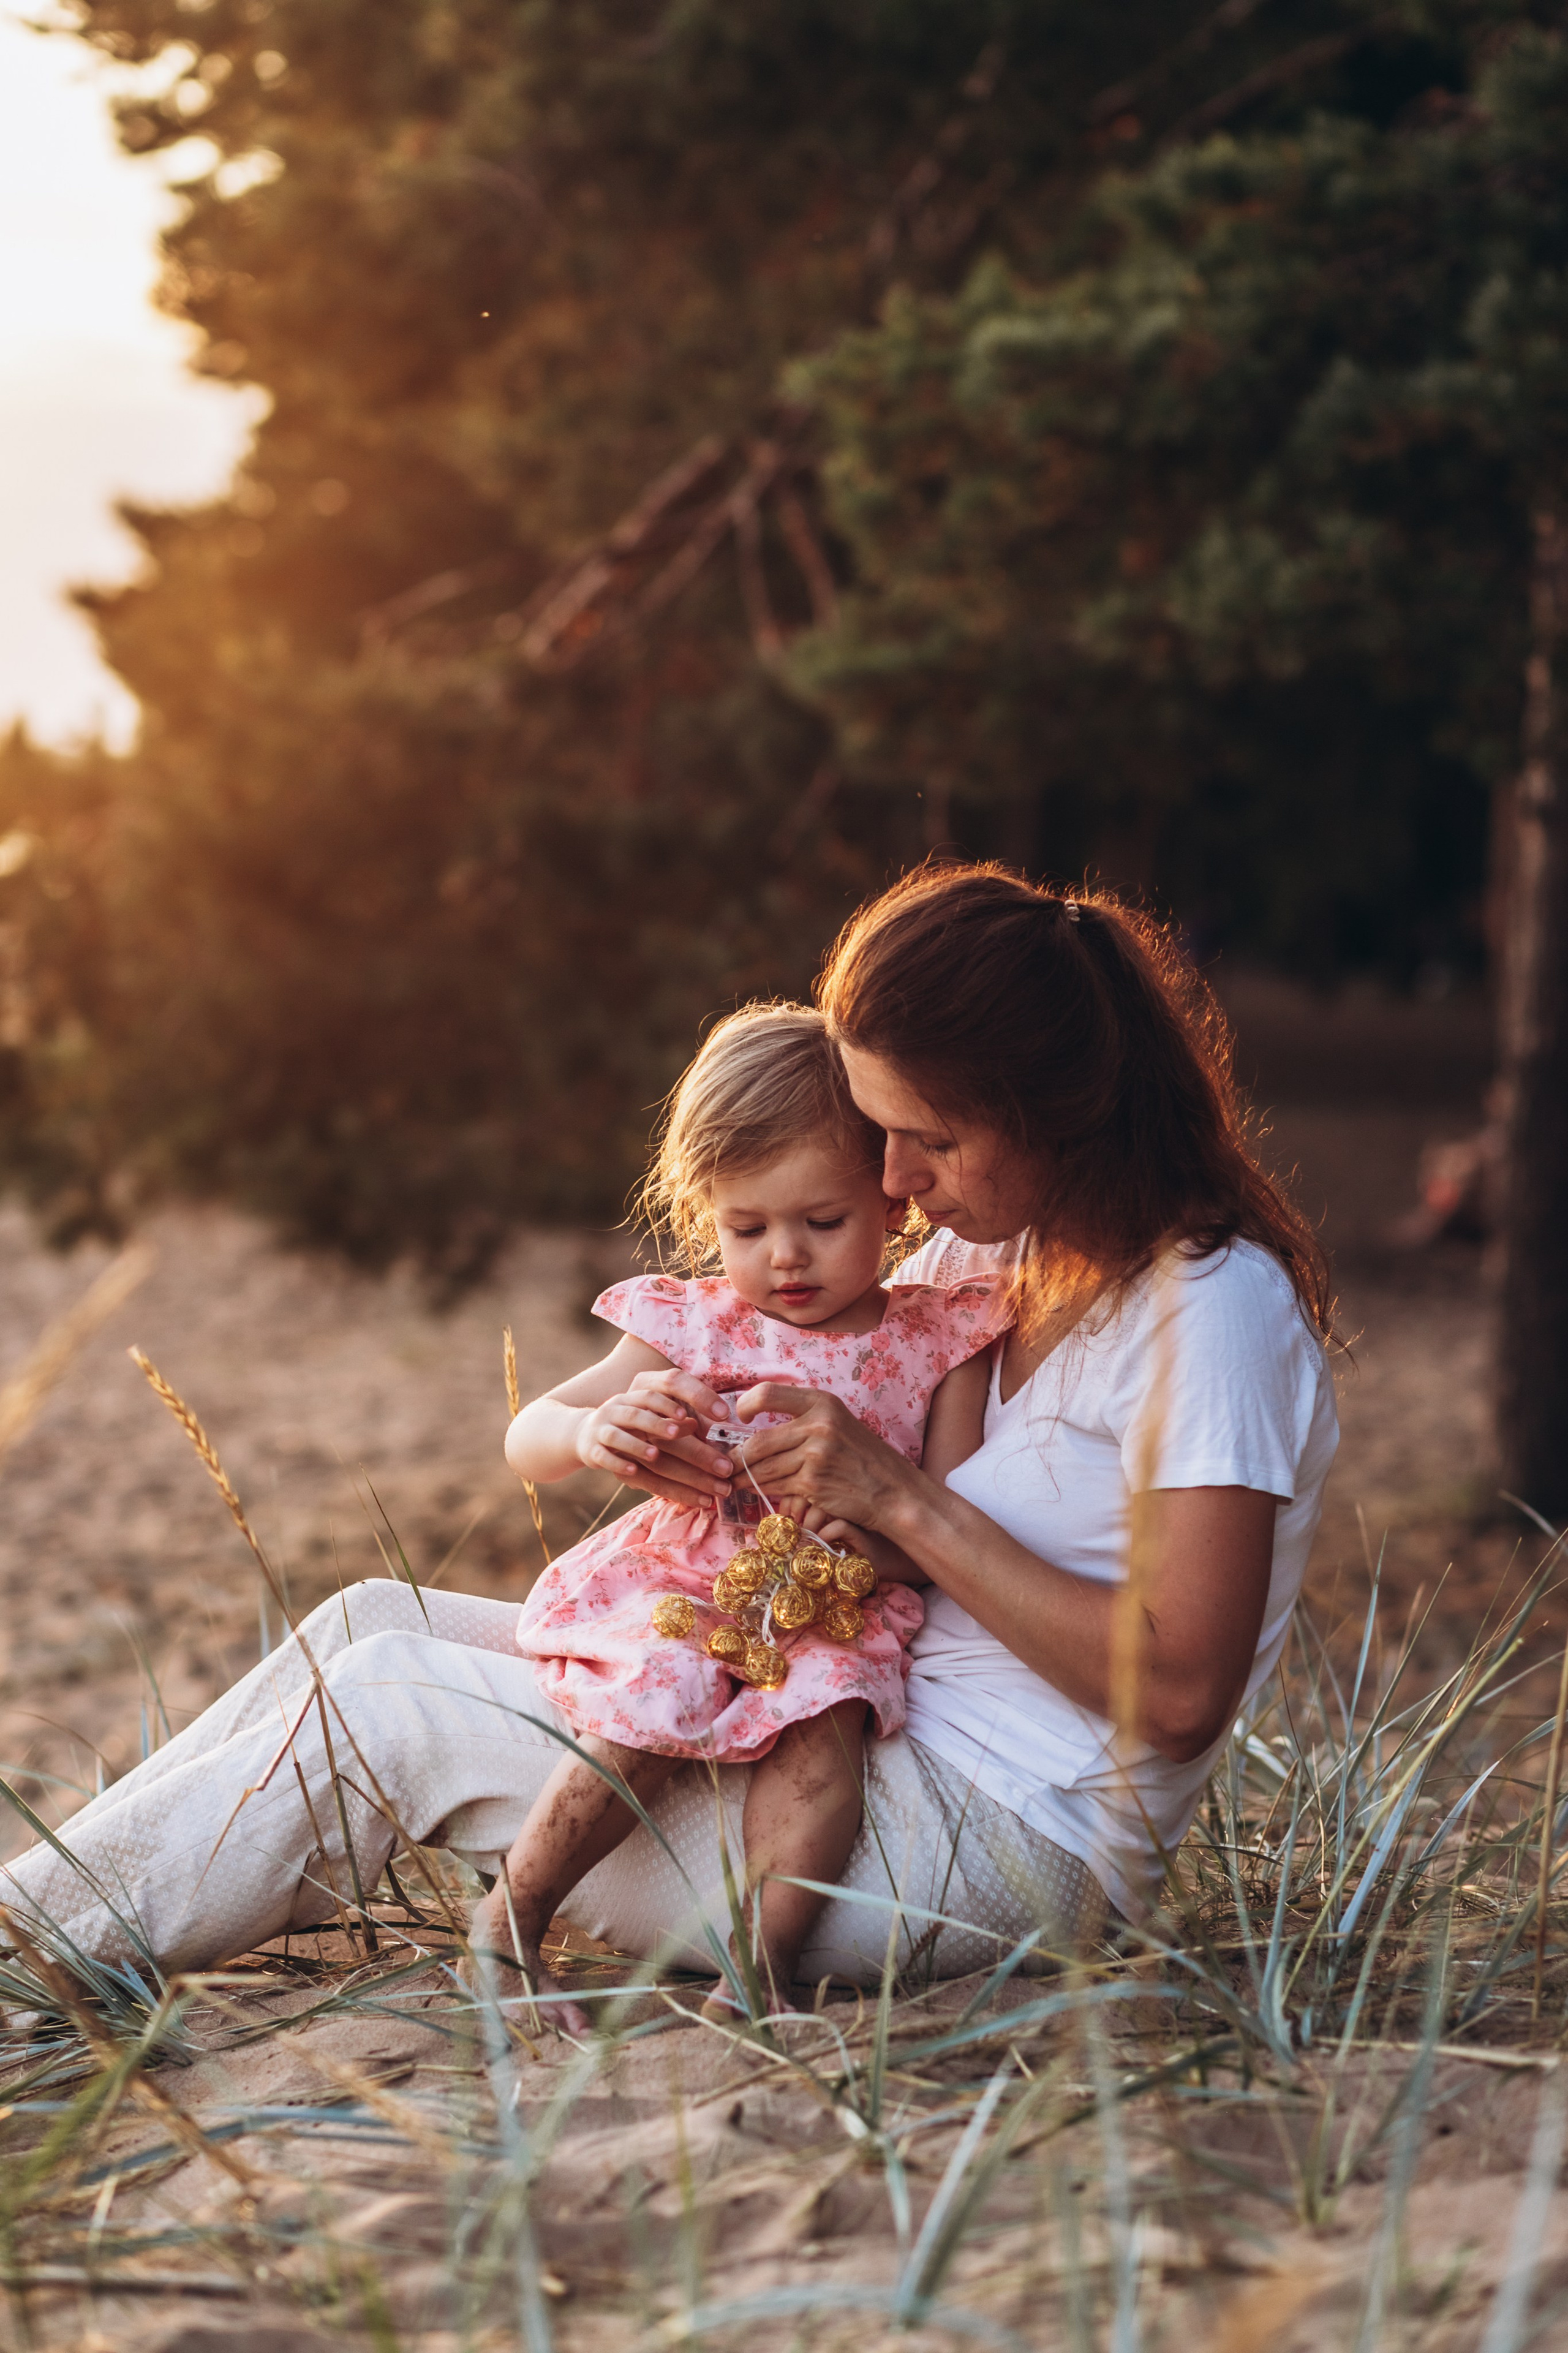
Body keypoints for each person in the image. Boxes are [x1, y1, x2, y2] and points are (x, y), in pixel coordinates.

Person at [1, 864, 1336, 2014]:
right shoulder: (1019, 1241)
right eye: (881, 1137)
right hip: (865, 1724)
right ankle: (43, 1916)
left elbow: (1176, 1693)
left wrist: (900, 1503)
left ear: (1055, 1109)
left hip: (991, 1845)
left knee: (390, 1708)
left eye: (925, 1139)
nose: (891, 1184)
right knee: (366, 1621)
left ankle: (23, 1955)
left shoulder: (1208, 1314)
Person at [469, 1004, 1004, 2023]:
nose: (785, 1258)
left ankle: (755, 1970)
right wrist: (595, 1435)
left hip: (835, 1604)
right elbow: (527, 1436)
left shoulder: (940, 1341)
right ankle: (512, 1917)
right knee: (655, 1691)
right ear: (706, 1210)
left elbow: (956, 1518)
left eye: (823, 1220)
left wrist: (889, 1549)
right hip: (689, 1584)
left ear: (890, 1202)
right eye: (746, 1227)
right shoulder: (695, 1320)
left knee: (825, 1736)